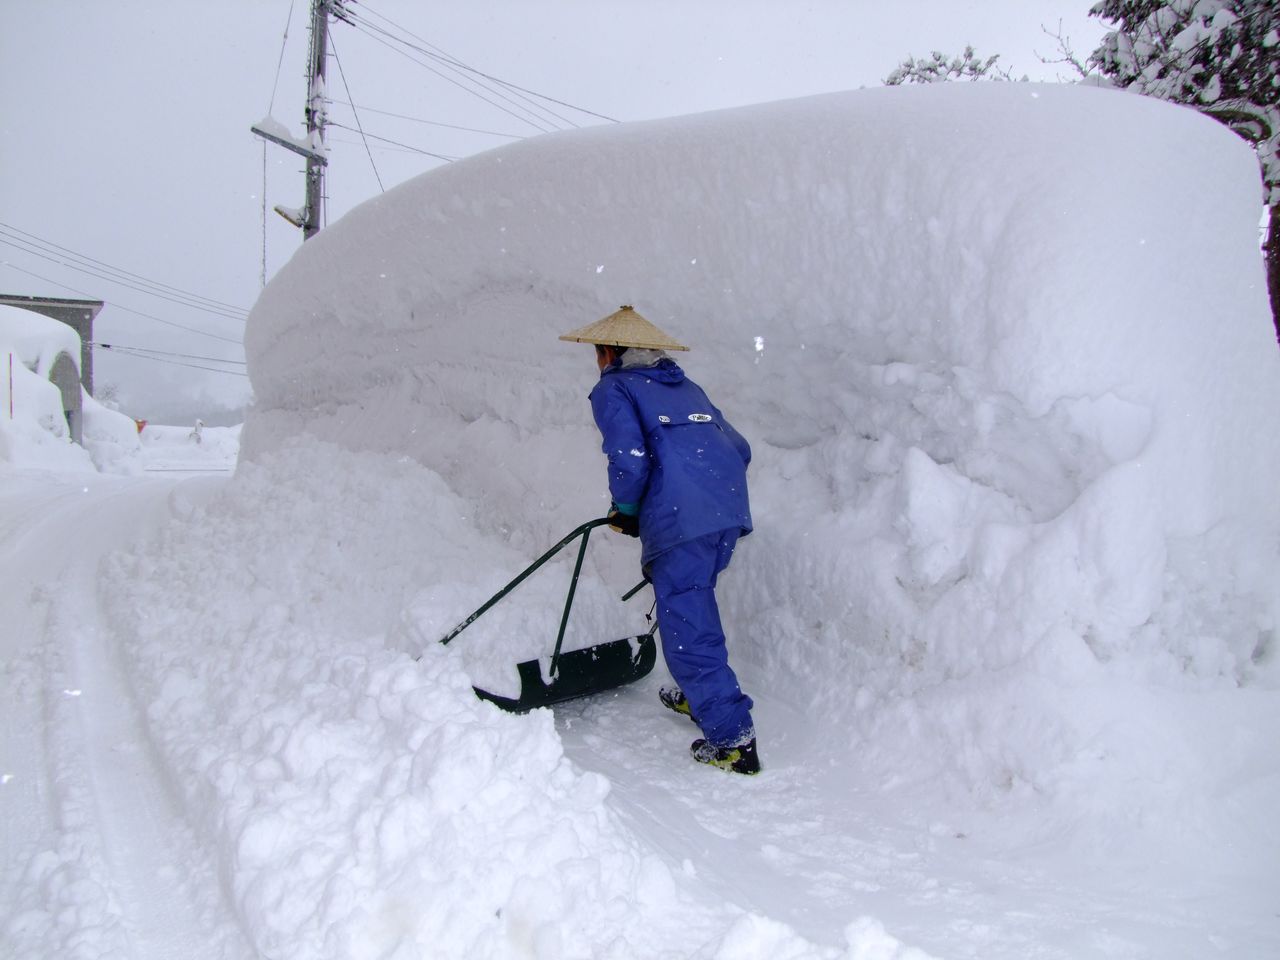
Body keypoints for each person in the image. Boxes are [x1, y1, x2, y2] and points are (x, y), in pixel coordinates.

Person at [559, 305, 759, 775]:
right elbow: (739, 448)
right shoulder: (685, 386)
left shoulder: (615, 388)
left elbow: (628, 458)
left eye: (598, 352)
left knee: (688, 624)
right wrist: (705, 497)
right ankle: (698, 696)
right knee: (693, 606)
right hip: (725, 511)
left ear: (610, 352)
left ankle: (733, 740)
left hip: (683, 519)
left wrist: (627, 511)